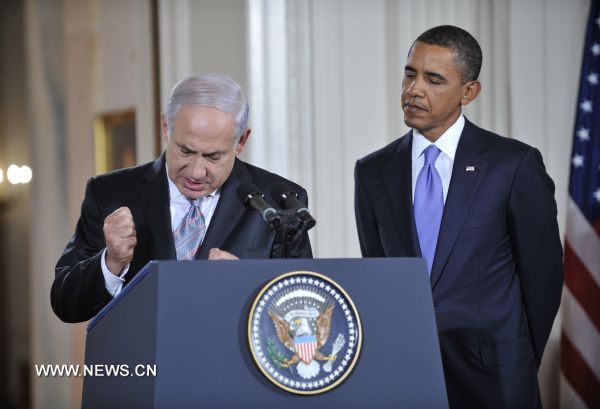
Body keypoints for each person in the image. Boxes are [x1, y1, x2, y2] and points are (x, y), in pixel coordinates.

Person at [354, 25, 563, 408]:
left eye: (434, 79)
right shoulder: (372, 171)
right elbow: (380, 272)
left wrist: (516, 357)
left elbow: (544, 279)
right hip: (407, 375)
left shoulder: (513, 165)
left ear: (469, 92)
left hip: (497, 378)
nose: (413, 90)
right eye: (410, 73)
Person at [52, 73, 312, 323]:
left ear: (241, 140)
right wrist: (111, 262)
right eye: (186, 151)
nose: (197, 172)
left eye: (213, 156)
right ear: (166, 127)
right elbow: (65, 303)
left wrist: (249, 287)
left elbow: (304, 312)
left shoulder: (279, 202)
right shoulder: (111, 192)